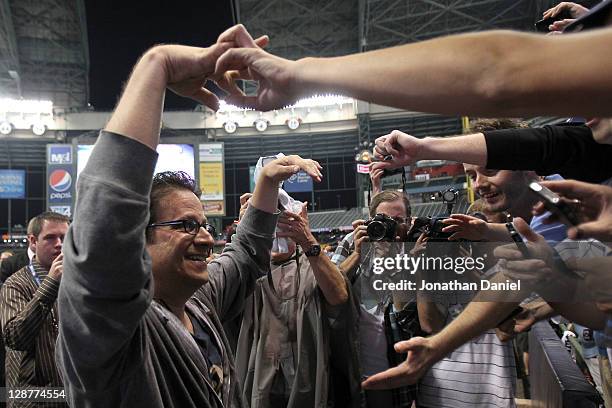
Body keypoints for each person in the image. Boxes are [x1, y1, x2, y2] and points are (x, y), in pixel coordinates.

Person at [55, 25, 322, 408]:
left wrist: (266, 180)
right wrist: (157, 65)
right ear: (138, 240)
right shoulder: (112, 331)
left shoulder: (198, 302)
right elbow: (104, 231)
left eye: (203, 225)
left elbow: (245, 255)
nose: (204, 238)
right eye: (184, 225)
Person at [235, 194, 358, 407]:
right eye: (266, 216)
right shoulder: (247, 267)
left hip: (309, 383)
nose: (274, 223)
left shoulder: (313, 262)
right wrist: (244, 237)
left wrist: (307, 239)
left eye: (281, 214)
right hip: (260, 385)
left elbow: (339, 297)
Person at [0, 211, 69, 408]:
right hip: (32, 399)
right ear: (32, 241)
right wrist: (50, 284)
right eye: (50, 238)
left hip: (73, 393)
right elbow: (14, 337)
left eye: (64, 238)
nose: (59, 244)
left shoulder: (77, 281)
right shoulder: (16, 284)